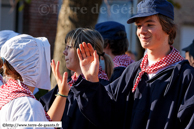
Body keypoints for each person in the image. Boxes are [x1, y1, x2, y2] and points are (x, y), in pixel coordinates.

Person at [57, 0, 194, 129]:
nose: (142, 31)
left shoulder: (186, 77)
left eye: (149, 25)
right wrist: (91, 81)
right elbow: (107, 116)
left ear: (168, 29)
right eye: (139, 26)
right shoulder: (133, 72)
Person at [39, 28, 114, 129]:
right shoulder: (66, 85)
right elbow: (44, 122)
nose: (64, 52)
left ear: (85, 50)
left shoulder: (104, 89)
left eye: (68, 47)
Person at [0, 34, 68, 126]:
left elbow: (45, 125)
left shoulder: (8, 94)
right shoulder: (28, 106)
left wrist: (62, 93)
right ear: (32, 66)